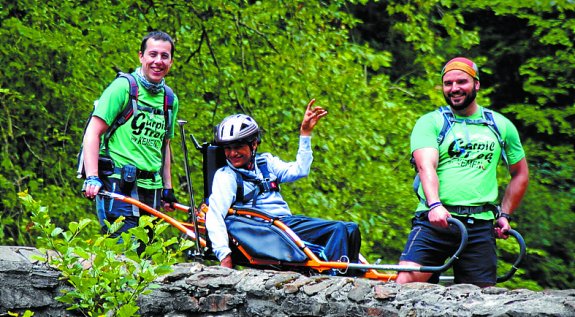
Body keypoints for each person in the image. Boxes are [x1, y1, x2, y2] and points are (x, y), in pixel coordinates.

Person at [396, 57, 529, 287]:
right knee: (405, 285)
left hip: (480, 226)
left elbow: (520, 173)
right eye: (448, 83)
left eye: (461, 81)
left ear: (476, 84)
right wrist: (435, 204)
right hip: (435, 221)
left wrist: (504, 215)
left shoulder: (500, 125)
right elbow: (426, 166)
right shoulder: (431, 122)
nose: (454, 88)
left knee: (482, 301)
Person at [205, 100, 362, 273]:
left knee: (350, 229)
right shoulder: (227, 177)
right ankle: (334, 278)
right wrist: (224, 256)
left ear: (254, 144)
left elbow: (300, 170)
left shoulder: (266, 163)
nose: (232, 153)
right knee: (337, 229)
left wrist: (305, 134)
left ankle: (352, 276)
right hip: (265, 231)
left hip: (285, 225)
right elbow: (214, 215)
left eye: (238, 147)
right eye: (227, 148)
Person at [82, 31, 179, 244]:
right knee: (123, 253)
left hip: (151, 188)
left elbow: (165, 144)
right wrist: (92, 176)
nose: (158, 61)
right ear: (141, 56)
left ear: (171, 61)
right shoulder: (123, 88)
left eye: (164, 56)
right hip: (119, 184)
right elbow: (93, 132)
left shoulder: (170, 99)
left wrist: (167, 188)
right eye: (152, 54)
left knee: (146, 256)